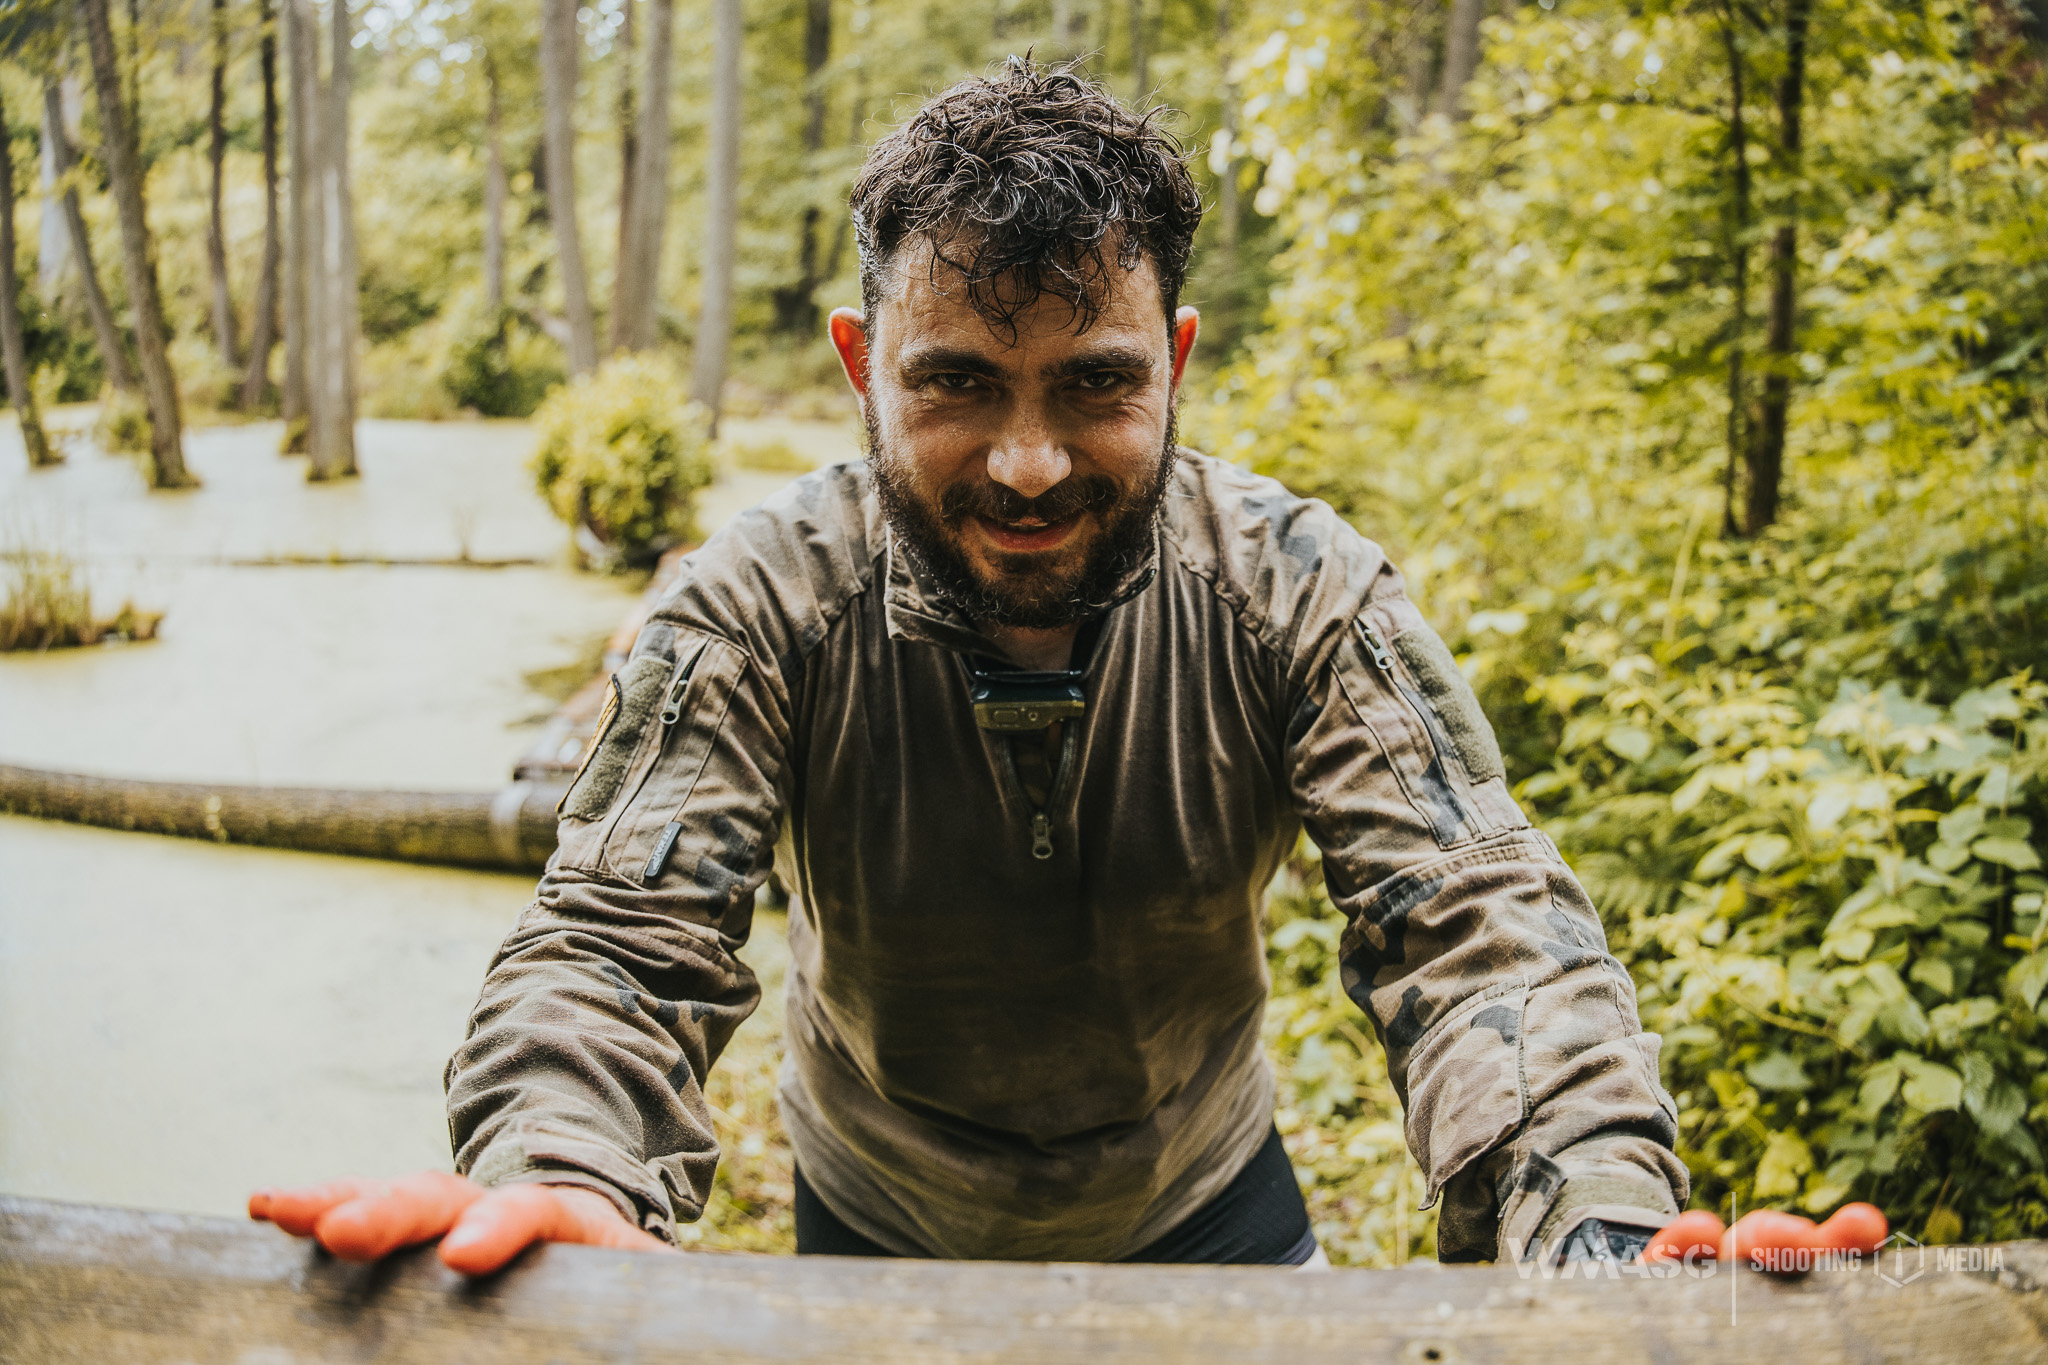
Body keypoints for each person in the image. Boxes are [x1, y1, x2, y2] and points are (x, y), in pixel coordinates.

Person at [250, 60, 1883, 1276]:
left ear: (1174, 364)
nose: (1028, 465)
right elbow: (614, 934)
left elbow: (1479, 927)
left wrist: (1592, 1227)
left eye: (1093, 384)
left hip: (1205, 1194)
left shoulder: (1300, 593)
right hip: (875, 1205)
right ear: (861, 368)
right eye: (957, 382)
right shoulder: (759, 603)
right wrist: (565, 1169)